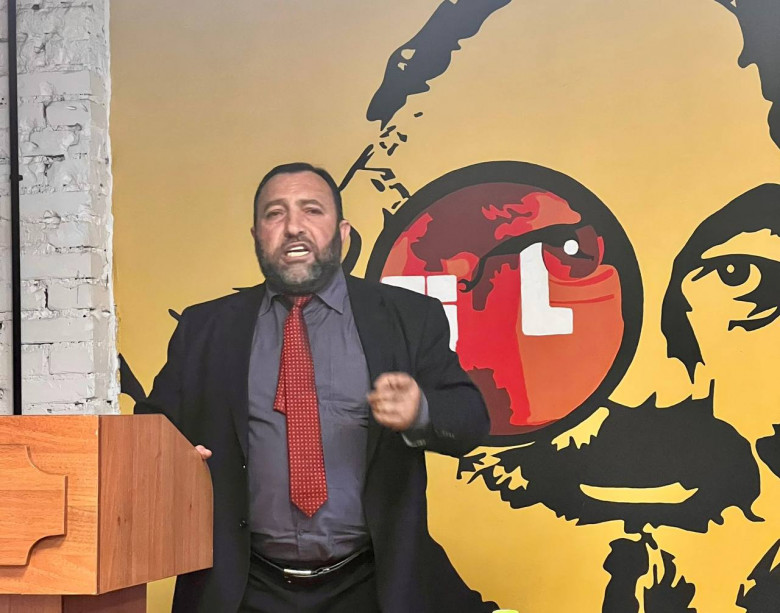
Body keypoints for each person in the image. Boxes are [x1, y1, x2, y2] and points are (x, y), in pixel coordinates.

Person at [135, 162, 496, 613]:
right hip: (244, 588)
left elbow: (470, 419)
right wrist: (176, 460)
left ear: (342, 232)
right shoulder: (205, 327)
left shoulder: (408, 316)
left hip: (373, 585)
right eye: (275, 214)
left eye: (312, 210)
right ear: (256, 236)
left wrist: (420, 412)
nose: (293, 227)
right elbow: (150, 431)